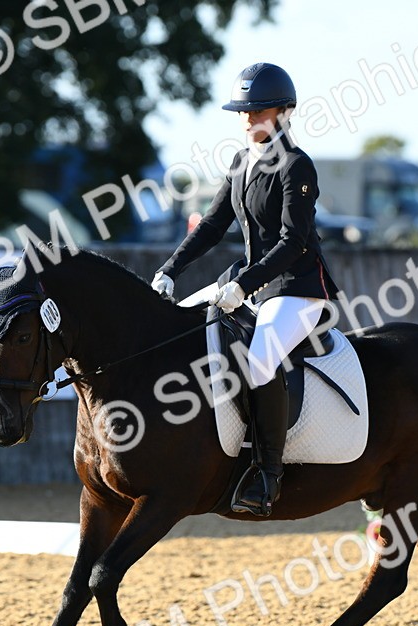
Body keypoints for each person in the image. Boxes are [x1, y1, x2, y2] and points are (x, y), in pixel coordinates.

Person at [151, 62, 339, 518]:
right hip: (252, 285)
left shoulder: (297, 166)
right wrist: (170, 269)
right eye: (243, 111)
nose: (249, 119)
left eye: (259, 111)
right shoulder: (241, 163)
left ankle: (267, 474)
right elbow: (213, 225)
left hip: (297, 289)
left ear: (284, 112)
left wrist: (242, 285)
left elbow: (293, 242)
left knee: (259, 362)